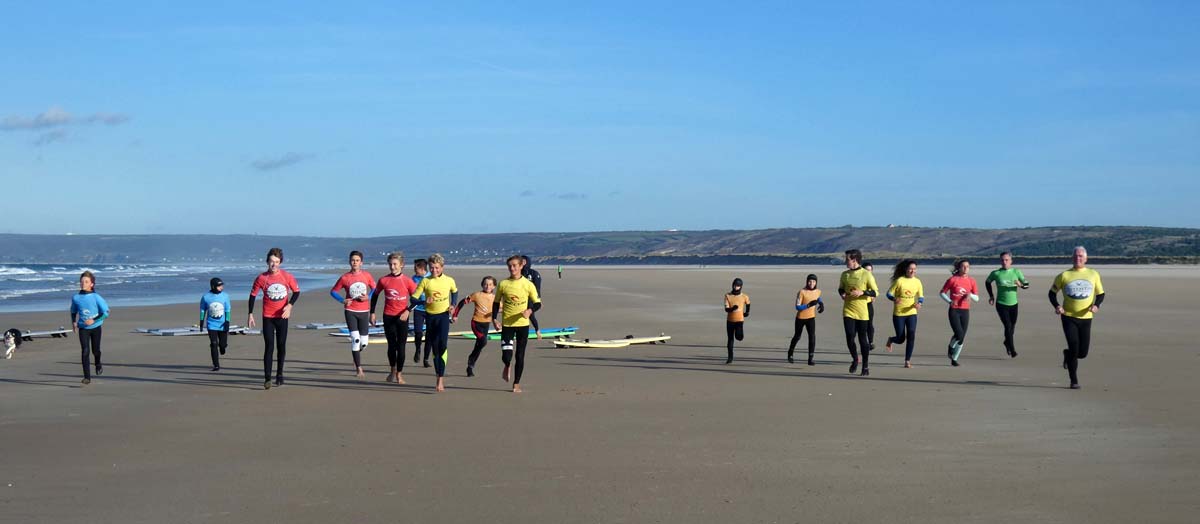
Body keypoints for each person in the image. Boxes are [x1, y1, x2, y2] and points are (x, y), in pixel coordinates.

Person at [1049, 246, 1105, 390]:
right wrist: (1057, 306)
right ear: (1072, 258)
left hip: (1086, 318)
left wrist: (1096, 305)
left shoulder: (1093, 274)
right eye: (1075, 256)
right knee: (1074, 346)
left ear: (1086, 258)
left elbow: (1101, 294)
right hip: (1068, 317)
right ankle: (1074, 380)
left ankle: (1067, 354)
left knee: (1082, 353)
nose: (1078, 258)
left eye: (1080, 256)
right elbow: (1052, 293)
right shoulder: (1064, 276)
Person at [248, 247, 300, 389]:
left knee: (281, 346)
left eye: (276, 262)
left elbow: (296, 292)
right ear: (267, 262)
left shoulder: (286, 276)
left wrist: (289, 306)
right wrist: (250, 314)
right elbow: (252, 295)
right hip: (268, 317)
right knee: (269, 346)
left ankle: (280, 374)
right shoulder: (262, 278)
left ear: (280, 262)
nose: (274, 264)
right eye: (271, 261)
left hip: (282, 316)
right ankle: (267, 378)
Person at [410, 253, 457, 392]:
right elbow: (413, 299)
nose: (434, 271)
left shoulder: (449, 280)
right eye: (432, 268)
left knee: (443, 345)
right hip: (430, 317)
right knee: (436, 349)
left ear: (442, 267)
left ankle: (440, 377)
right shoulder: (425, 281)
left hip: (443, 317)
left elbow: (455, 292)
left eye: (437, 268)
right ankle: (439, 378)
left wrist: (453, 304)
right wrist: (424, 301)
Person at [494, 256, 541, 393]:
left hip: (522, 325)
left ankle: (516, 383)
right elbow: (496, 303)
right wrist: (494, 319)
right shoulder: (503, 284)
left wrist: (530, 310)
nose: (512, 268)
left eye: (515, 265)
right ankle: (507, 365)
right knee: (506, 356)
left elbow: (538, 303)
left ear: (521, 266)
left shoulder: (528, 284)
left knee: (520, 355)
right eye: (510, 266)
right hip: (507, 325)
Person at [371, 252, 416, 384]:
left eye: (395, 264)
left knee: (401, 347)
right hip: (388, 316)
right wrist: (372, 313)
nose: (392, 267)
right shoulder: (383, 280)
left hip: (402, 317)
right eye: (390, 264)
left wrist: (408, 311)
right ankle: (392, 370)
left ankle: (399, 374)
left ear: (401, 265)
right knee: (392, 346)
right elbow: (374, 296)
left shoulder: (408, 281)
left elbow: (417, 300)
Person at [331, 250, 377, 378]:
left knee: (364, 343)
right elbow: (333, 291)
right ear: (349, 262)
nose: (355, 262)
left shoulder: (367, 276)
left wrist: (368, 297)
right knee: (355, 340)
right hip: (350, 311)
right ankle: (359, 368)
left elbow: (375, 288)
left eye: (357, 260)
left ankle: (355, 353)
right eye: (352, 260)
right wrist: (342, 300)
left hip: (364, 311)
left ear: (361, 262)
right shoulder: (345, 278)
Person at [839, 250, 877, 376]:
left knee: (863, 340)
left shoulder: (866, 274)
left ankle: (865, 366)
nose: (845, 261)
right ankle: (855, 359)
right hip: (848, 310)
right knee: (850, 337)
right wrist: (842, 293)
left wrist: (863, 292)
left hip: (862, 312)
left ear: (854, 260)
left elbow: (875, 292)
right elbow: (840, 288)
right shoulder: (844, 275)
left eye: (847, 259)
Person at [985, 252, 1030, 358]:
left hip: (1014, 304)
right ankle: (1012, 349)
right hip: (1001, 304)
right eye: (1002, 260)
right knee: (1008, 326)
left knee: (1012, 327)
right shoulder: (996, 273)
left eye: (1006, 260)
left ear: (1011, 261)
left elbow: (1027, 285)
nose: (1004, 262)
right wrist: (991, 296)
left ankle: (1006, 342)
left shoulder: (1016, 272)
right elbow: (987, 282)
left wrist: (1021, 285)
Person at [70, 270, 109, 385]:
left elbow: (106, 312)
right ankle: (87, 377)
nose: (83, 284)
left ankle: (98, 363)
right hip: (83, 328)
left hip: (96, 327)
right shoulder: (76, 297)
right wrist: (73, 322)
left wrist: (93, 320)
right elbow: (73, 311)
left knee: (95, 350)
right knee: (85, 351)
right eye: (82, 282)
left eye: (86, 282)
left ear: (92, 284)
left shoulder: (96, 297)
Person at [453, 276, 496, 378]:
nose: (487, 286)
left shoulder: (495, 298)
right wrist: (455, 315)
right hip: (476, 323)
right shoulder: (477, 295)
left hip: (486, 324)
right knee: (483, 341)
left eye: (490, 284)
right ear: (482, 285)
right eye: (485, 284)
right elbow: (462, 302)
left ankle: (470, 366)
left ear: (494, 286)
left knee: (479, 346)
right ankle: (471, 360)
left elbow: (501, 309)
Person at [885, 260, 924, 368]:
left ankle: (907, 360)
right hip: (899, 313)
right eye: (910, 269)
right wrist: (894, 299)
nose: (912, 271)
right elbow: (888, 294)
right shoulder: (899, 281)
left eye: (914, 269)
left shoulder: (917, 282)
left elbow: (921, 296)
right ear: (906, 269)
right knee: (901, 338)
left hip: (912, 312)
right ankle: (892, 339)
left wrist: (919, 303)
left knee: (911, 335)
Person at [939, 259, 979, 367]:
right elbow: (942, 293)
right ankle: (951, 347)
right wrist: (950, 301)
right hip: (954, 310)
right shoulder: (953, 280)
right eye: (963, 266)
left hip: (965, 311)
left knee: (962, 337)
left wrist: (969, 295)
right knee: (959, 334)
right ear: (959, 268)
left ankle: (954, 359)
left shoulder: (972, 281)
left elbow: (977, 298)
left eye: (967, 266)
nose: (966, 268)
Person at [788, 274, 824, 365]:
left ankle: (810, 359)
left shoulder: (818, 291)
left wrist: (821, 304)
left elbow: (818, 297)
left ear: (816, 282)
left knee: (812, 337)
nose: (811, 283)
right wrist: (808, 305)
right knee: (797, 336)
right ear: (806, 281)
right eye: (809, 281)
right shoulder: (802, 292)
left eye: (813, 281)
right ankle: (790, 353)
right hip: (800, 318)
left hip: (811, 318)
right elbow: (798, 307)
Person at [199, 277, 232, 371]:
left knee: (222, 344)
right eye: (219, 286)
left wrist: (227, 322)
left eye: (222, 285)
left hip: (222, 324)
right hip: (211, 324)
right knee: (213, 344)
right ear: (213, 286)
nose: (222, 287)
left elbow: (227, 309)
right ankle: (216, 365)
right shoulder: (206, 297)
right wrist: (201, 322)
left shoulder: (225, 296)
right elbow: (202, 309)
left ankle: (223, 347)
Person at [723, 278, 750, 364]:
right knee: (730, 340)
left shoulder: (744, 296)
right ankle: (730, 357)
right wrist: (732, 309)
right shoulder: (727, 295)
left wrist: (747, 312)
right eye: (735, 285)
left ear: (741, 287)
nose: (736, 287)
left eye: (738, 286)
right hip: (730, 321)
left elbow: (748, 303)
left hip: (739, 320)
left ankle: (740, 335)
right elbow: (726, 309)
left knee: (739, 337)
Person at [411, 259, 430, 367]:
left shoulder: (431, 277)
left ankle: (426, 359)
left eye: (415, 268)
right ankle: (418, 349)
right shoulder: (414, 278)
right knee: (418, 333)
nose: (414, 270)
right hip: (418, 309)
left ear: (422, 269)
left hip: (430, 310)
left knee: (429, 335)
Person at [520, 255, 544, 339]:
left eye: (523, 261)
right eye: (520, 261)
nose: (522, 263)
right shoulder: (518, 273)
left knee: (531, 315)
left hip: (530, 298)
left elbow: (537, 287)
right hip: (519, 298)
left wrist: (538, 299)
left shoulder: (534, 273)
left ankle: (537, 331)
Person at [863, 262, 877, 349]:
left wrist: (873, 296)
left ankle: (871, 342)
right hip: (859, 305)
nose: (868, 272)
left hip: (868, 304)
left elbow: (875, 290)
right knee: (861, 325)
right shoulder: (859, 279)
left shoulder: (872, 279)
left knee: (869, 324)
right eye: (866, 270)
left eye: (869, 270)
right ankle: (863, 342)